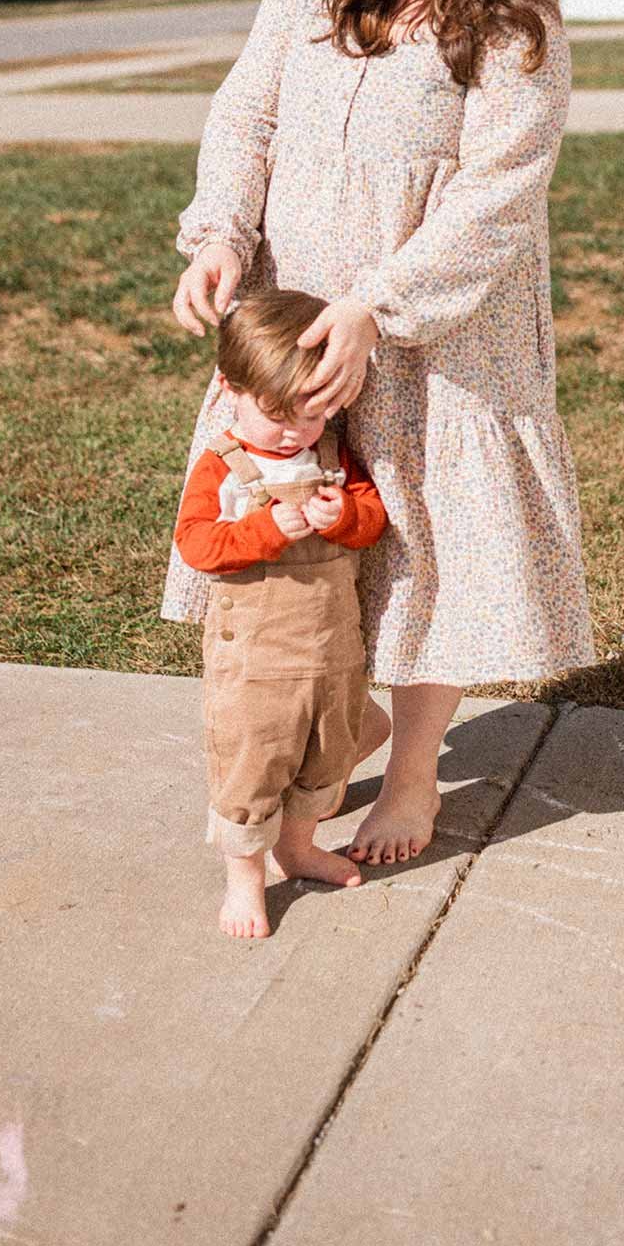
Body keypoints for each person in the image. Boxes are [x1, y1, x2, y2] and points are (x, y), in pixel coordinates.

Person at [165, 0, 595, 867]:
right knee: (303, 522)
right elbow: (248, 116)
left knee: (422, 548)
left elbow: (499, 194)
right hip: (301, 317)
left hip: (439, 328)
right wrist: (222, 235)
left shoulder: (517, 21)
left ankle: (412, 777)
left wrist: (380, 306)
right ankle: (341, 715)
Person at [174, 287, 388, 940]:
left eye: (312, 413)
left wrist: (344, 515)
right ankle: (245, 879)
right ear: (230, 389)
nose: (295, 431)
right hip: (255, 664)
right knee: (254, 765)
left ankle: (296, 849)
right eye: (277, 414)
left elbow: (372, 520)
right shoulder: (224, 467)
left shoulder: (330, 457)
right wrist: (267, 529)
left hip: (330, 653)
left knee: (324, 758)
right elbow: (197, 545)